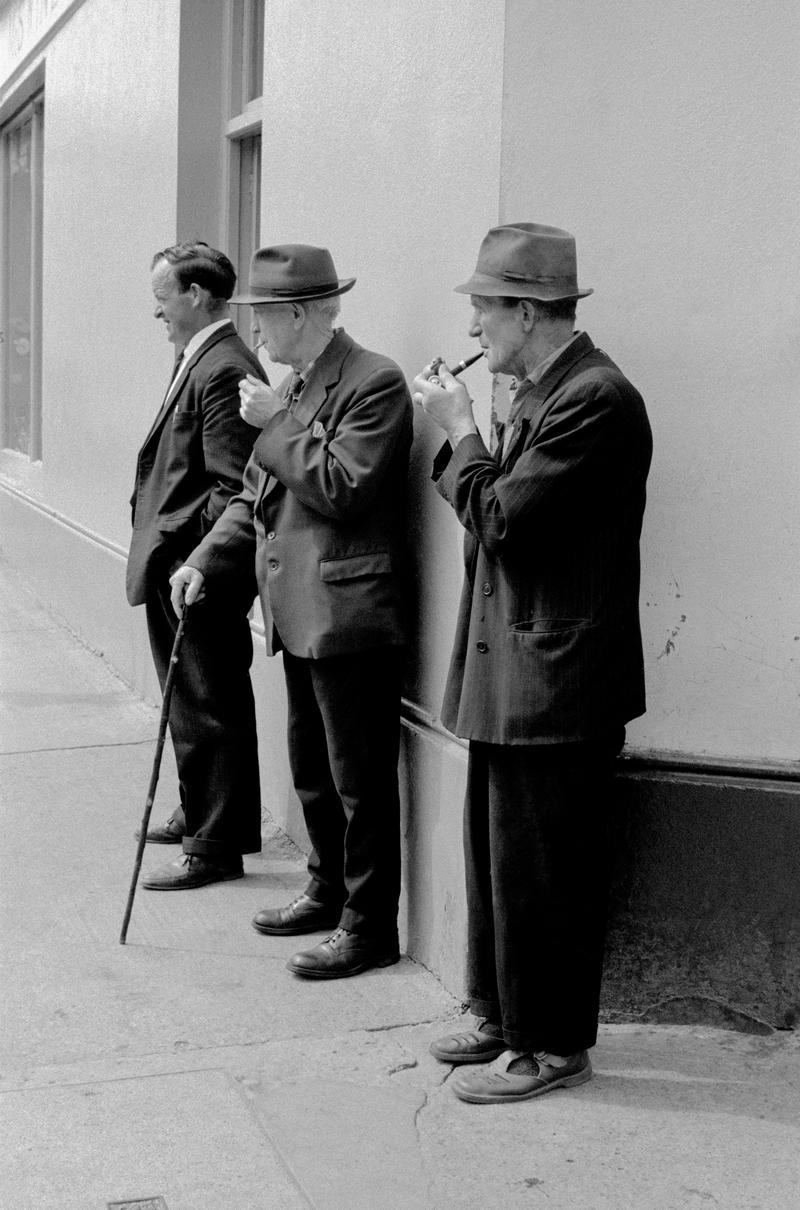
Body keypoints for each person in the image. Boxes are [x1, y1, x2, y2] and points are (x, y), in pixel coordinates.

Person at [412, 222, 652, 1103]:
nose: (474, 327)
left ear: (525, 309)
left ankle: (552, 1046)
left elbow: (504, 522)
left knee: (547, 870)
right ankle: (501, 1015)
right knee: (499, 858)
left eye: (483, 307)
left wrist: (459, 430)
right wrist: (464, 439)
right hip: (514, 676)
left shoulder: (596, 399)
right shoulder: (544, 390)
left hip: (557, 684)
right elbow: (495, 516)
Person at [170, 244, 413, 978]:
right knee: (312, 768)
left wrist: (277, 420)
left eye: (267, 321)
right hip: (298, 613)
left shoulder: (375, 382)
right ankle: (328, 887)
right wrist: (204, 561)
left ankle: (370, 927)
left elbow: (343, 487)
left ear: (302, 313)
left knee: (359, 780)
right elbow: (254, 493)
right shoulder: (299, 383)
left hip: (348, 614)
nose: (261, 339)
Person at [127, 242, 265, 890]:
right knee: (190, 695)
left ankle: (215, 846)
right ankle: (200, 815)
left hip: (197, 571)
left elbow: (233, 485)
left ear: (197, 296)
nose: (155, 312)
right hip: (182, 566)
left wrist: (185, 554)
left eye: (162, 298)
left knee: (209, 701)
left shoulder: (224, 366)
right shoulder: (202, 357)